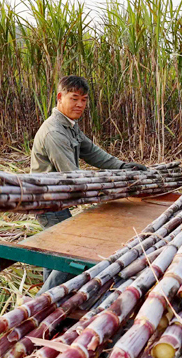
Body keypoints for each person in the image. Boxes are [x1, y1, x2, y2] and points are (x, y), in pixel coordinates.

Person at [31, 75, 147, 290]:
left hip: (60, 201)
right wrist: (113, 188)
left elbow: (93, 153)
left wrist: (122, 167)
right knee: (69, 255)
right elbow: (74, 177)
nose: (80, 104)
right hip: (48, 203)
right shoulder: (54, 132)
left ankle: (46, 292)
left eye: (84, 99)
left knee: (55, 251)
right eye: (74, 98)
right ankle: (44, 300)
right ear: (60, 97)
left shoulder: (70, 126)